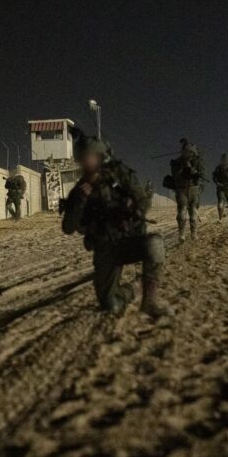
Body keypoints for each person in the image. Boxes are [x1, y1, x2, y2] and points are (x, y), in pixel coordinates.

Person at [61, 129, 167, 318]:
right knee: (111, 306)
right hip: (105, 249)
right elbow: (68, 228)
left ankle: (150, 302)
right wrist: (79, 201)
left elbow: (143, 200)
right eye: (84, 157)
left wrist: (133, 209)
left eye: (91, 157)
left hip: (128, 241)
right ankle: (135, 287)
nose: (88, 161)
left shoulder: (120, 177)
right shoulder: (79, 191)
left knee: (155, 244)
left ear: (101, 157)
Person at [170, 139, 206, 242]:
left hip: (194, 191)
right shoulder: (176, 163)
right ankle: (181, 234)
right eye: (186, 151)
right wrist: (185, 168)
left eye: (190, 152)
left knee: (193, 215)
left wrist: (195, 173)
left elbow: (202, 176)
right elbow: (176, 175)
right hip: (182, 190)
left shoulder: (198, 163)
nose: (188, 154)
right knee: (182, 214)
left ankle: (194, 234)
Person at [212, 153, 228, 224]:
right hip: (222, 187)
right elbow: (214, 177)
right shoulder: (219, 168)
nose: (225, 161)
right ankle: (223, 218)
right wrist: (217, 183)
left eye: (226, 160)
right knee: (222, 203)